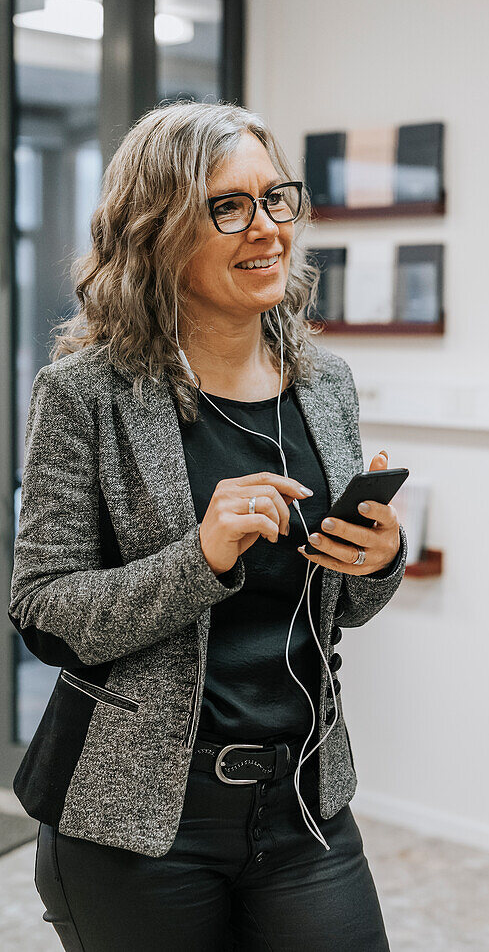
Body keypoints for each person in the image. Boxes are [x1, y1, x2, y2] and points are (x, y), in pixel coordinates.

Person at [8, 100, 409, 951]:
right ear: (157, 230)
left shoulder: (324, 381)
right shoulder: (88, 392)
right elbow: (42, 611)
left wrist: (376, 561)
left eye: (274, 199)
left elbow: (344, 606)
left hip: (306, 795)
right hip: (141, 819)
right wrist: (198, 556)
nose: (264, 229)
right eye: (225, 207)